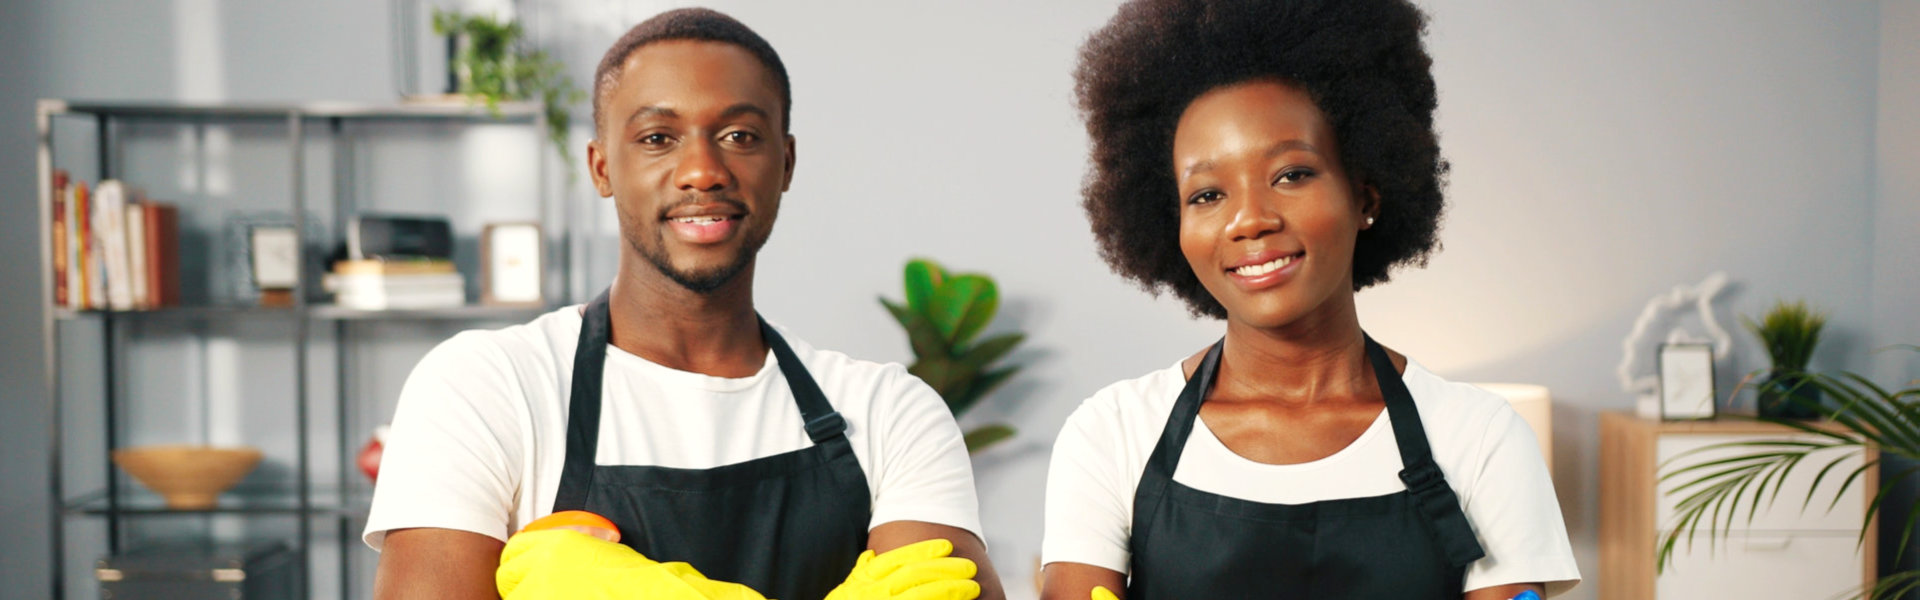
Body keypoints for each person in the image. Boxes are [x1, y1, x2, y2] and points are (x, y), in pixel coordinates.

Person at [365, 8, 1004, 600]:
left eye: (738, 134)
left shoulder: (891, 413)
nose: (703, 170)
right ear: (600, 167)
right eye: (657, 138)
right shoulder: (487, 388)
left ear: (784, 161)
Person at [1040, 0, 1580, 598]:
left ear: (1366, 196)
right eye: (1207, 194)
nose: (1249, 220)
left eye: (1291, 174)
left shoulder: (1479, 438)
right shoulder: (1113, 433)